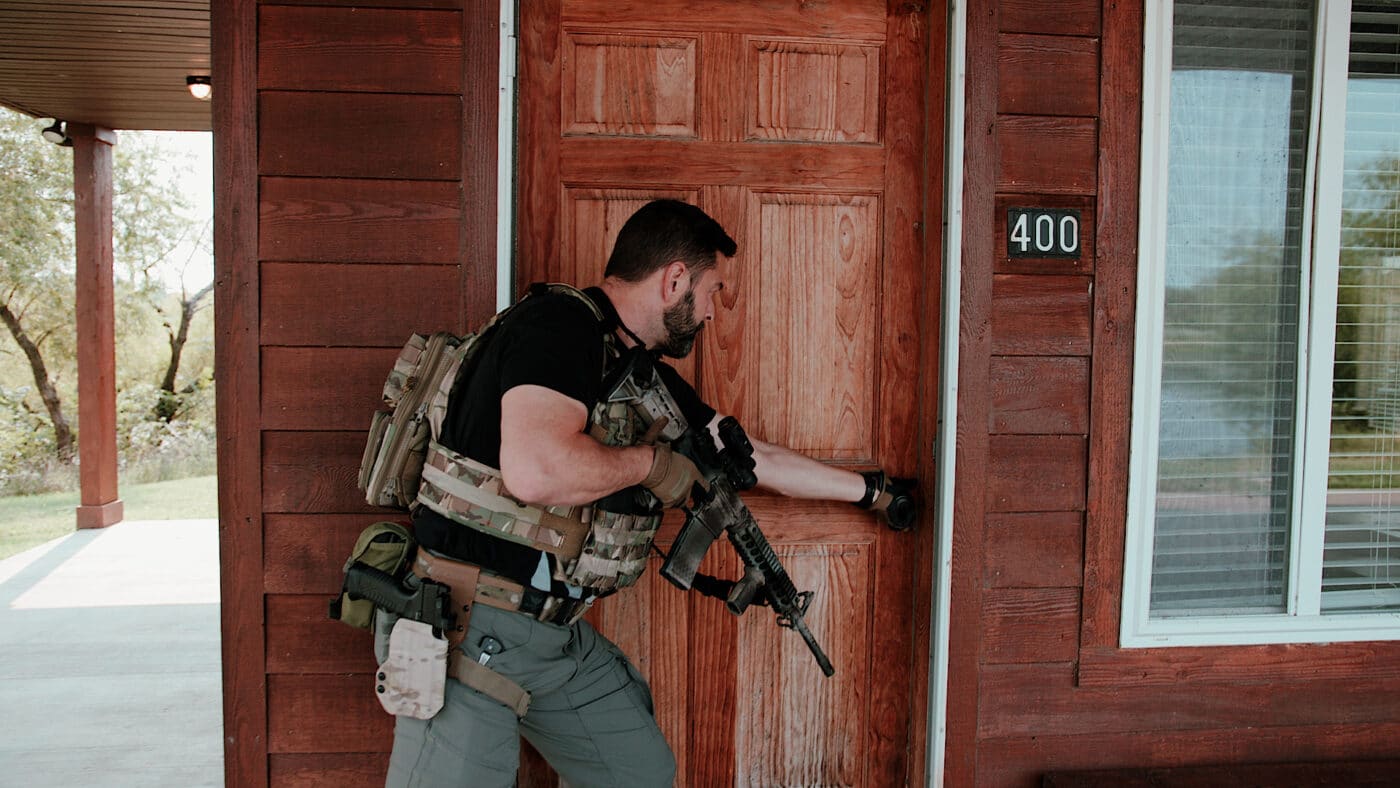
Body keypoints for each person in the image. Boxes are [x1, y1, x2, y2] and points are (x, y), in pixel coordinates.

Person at [385, 199, 914, 787]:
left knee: (638, 773)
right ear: (675, 280)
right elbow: (535, 470)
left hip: (553, 635)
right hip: (470, 625)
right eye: (713, 291)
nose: (714, 311)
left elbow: (749, 457)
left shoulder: (639, 374)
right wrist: (650, 464)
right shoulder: (557, 328)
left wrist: (870, 493)